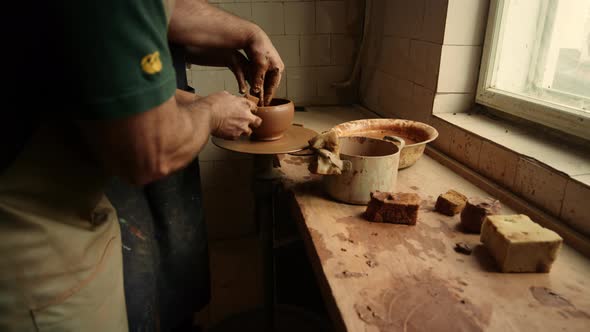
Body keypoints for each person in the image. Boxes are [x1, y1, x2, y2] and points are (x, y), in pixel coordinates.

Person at [0, 1, 283, 331]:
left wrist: (249, 34)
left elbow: (144, 24)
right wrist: (211, 112)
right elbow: (152, 152)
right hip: (32, 238)